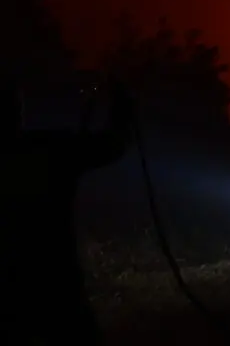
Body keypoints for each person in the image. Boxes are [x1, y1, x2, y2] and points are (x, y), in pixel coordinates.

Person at [0, 76, 134, 344]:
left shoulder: (50, 149)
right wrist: (122, 101)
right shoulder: (49, 150)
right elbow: (113, 144)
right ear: (17, 111)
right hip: (57, 288)